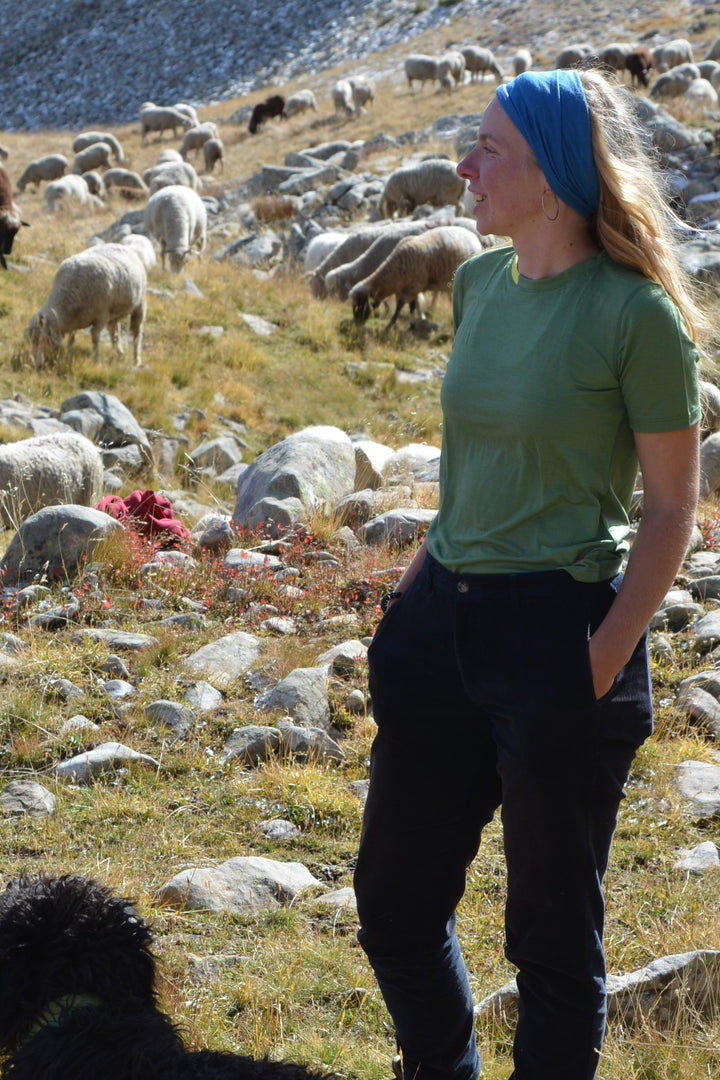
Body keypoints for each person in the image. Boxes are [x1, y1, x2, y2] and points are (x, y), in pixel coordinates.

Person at [352, 68, 704, 1080]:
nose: (464, 165)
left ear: (549, 175)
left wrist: (598, 661)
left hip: (561, 633)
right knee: (395, 911)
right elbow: (471, 463)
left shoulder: (638, 318)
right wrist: (412, 604)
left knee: (550, 950)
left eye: (488, 148)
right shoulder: (474, 283)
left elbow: (673, 510)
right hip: (438, 624)